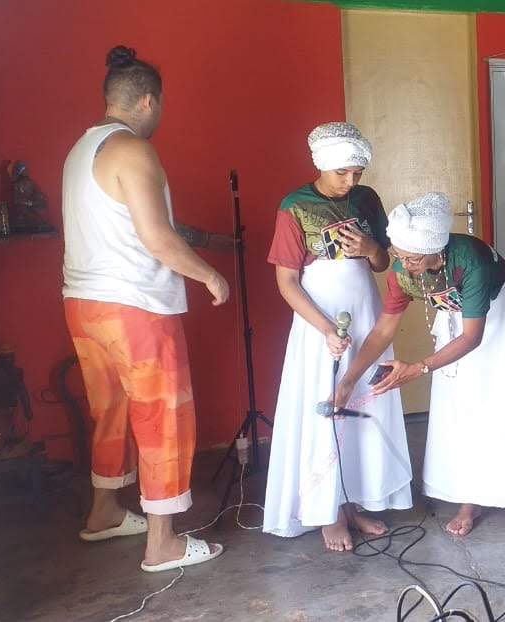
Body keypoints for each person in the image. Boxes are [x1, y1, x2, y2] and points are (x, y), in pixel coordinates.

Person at [62, 46, 229, 571]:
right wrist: (208, 273)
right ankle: (163, 544)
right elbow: (156, 238)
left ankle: (104, 513)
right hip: (135, 306)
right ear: (148, 101)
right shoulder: (134, 149)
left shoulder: (81, 150)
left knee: (110, 411)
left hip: (83, 303)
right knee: (163, 417)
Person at [333, 193, 505, 537]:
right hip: (457, 319)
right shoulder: (402, 271)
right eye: (399, 254)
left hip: (503, 315)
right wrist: (349, 379)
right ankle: (470, 499)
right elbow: (384, 329)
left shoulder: (470, 260)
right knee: (463, 404)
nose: (404, 264)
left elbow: (472, 337)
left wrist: (418, 368)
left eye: (413, 257)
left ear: (437, 249)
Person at [261, 122, 413, 552]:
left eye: (357, 173)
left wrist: (371, 249)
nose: (350, 181)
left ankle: (353, 502)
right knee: (326, 409)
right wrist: (326, 329)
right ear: (322, 165)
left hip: (365, 314)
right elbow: (287, 282)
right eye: (342, 172)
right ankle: (327, 512)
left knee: (365, 406)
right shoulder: (295, 207)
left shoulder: (366, 199)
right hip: (319, 324)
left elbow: (382, 263)